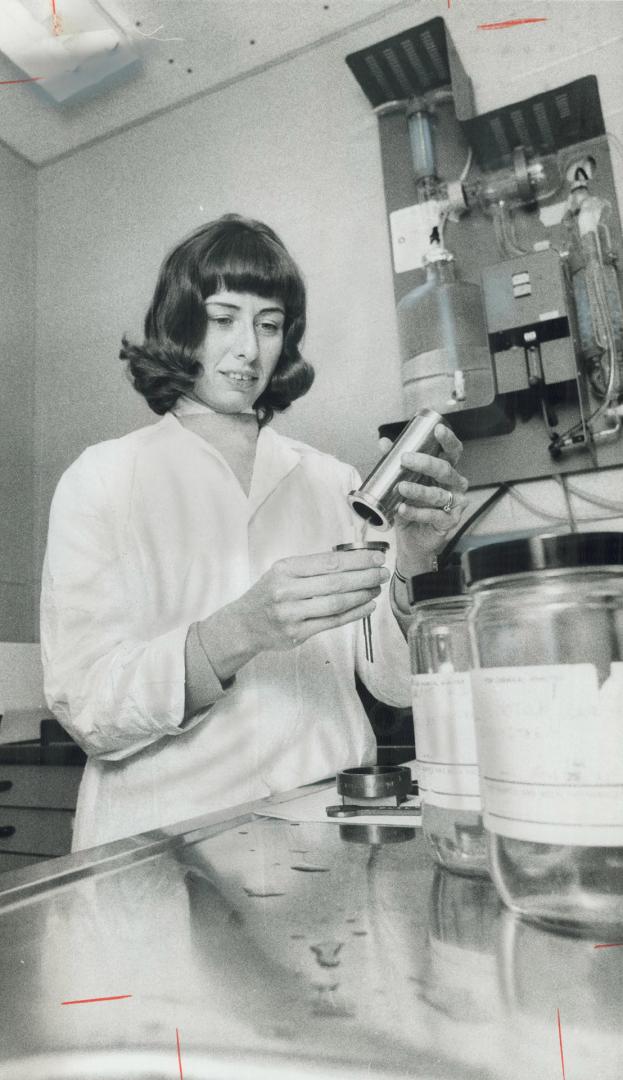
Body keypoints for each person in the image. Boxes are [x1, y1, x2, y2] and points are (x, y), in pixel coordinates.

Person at [41, 214, 468, 851]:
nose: (248, 348)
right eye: (223, 318)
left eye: (269, 325)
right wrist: (237, 631)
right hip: (169, 847)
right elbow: (87, 707)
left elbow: (392, 683)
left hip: (331, 827)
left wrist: (410, 561)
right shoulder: (103, 478)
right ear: (181, 322)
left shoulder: (331, 481)